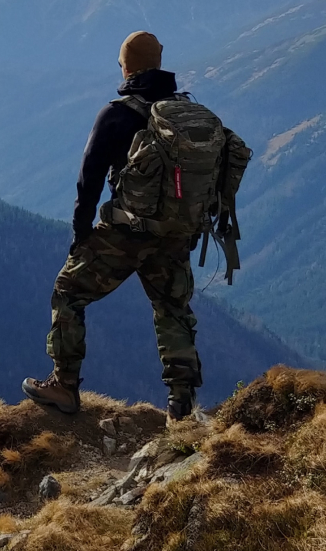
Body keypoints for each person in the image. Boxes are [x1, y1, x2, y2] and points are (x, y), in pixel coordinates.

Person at [22, 30, 204, 422]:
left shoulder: (117, 114)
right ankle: (182, 404)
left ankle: (65, 385)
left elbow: (89, 178)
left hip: (126, 232)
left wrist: (80, 234)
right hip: (173, 233)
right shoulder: (184, 114)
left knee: (68, 291)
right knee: (172, 308)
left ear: (128, 65)